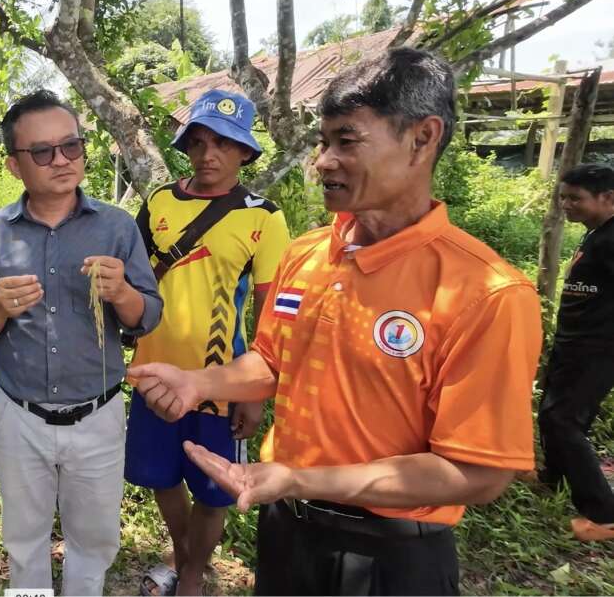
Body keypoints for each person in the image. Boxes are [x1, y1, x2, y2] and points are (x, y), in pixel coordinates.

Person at [129, 48, 543, 596]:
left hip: (390, 554)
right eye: (324, 143)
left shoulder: (485, 293)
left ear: (422, 138)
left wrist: (297, 478)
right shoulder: (307, 256)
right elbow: (273, 361)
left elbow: (481, 473)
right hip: (287, 532)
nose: (322, 161)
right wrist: (199, 382)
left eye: (346, 141)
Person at [0, 89, 163, 596]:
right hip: (20, 413)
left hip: (98, 414)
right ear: (13, 164)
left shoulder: (116, 226)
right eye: (43, 152)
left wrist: (122, 294)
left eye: (71, 146)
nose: (61, 161)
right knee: (23, 540)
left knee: (93, 541)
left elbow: (148, 316)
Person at [126, 90, 290, 596]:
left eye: (223, 143)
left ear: (246, 152)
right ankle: (183, 553)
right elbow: (135, 283)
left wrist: (256, 394)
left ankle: (193, 574)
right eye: (198, 142)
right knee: (160, 476)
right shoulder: (157, 203)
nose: (208, 155)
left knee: (215, 490)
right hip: (153, 372)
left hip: (221, 381)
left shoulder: (264, 217)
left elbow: (270, 313)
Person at [539, 163, 614, 542]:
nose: (566, 204)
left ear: (608, 198)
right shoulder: (596, 234)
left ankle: (604, 515)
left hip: (598, 348)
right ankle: (552, 478)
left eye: (575, 198)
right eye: (563, 196)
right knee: (554, 412)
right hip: (575, 342)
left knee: (563, 420)